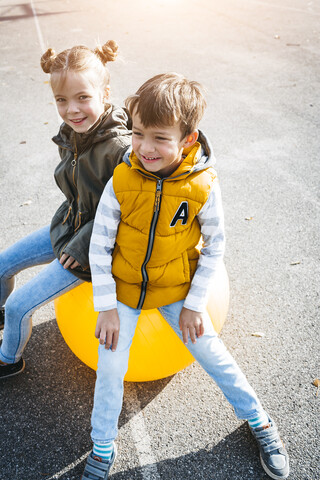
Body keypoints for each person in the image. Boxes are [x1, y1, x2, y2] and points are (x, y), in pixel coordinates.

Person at [86, 73, 289, 480]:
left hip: (177, 289)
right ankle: (102, 445)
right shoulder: (122, 180)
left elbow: (216, 246)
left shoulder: (203, 186)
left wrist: (194, 305)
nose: (145, 148)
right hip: (123, 292)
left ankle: (260, 420)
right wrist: (106, 306)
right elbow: (99, 246)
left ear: (188, 139)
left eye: (160, 138)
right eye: (139, 133)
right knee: (109, 368)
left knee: (214, 355)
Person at [0, 41, 131, 379]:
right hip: (68, 224)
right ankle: (4, 317)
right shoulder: (74, 132)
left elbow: (125, 211)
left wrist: (83, 244)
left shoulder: (120, 149)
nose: (72, 110)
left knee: (19, 306)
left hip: (94, 247)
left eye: (83, 97)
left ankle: (8, 359)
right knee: (2, 266)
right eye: (61, 100)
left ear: (105, 92)